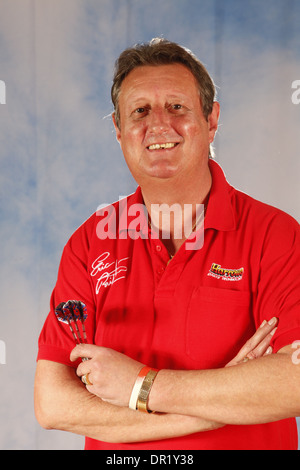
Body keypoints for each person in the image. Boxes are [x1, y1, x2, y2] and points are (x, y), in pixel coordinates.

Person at [34, 38, 300, 450]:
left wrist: (140, 385)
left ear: (211, 120)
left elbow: (294, 382)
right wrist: (207, 410)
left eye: (177, 106)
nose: (158, 125)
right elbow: (53, 403)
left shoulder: (276, 236)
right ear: (119, 131)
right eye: (140, 111)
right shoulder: (89, 244)